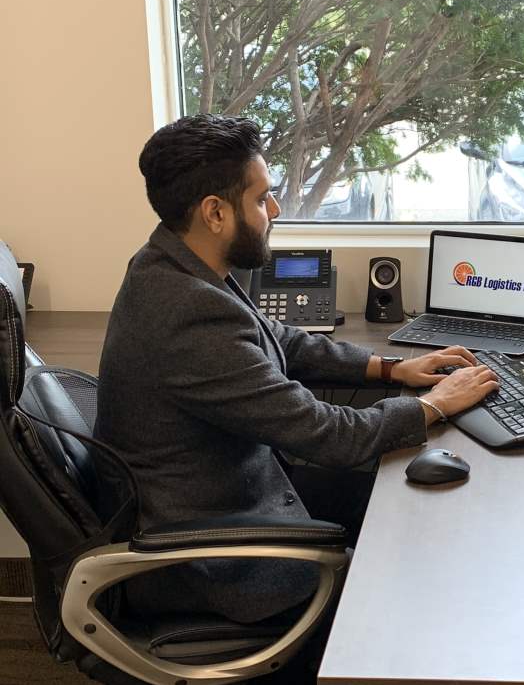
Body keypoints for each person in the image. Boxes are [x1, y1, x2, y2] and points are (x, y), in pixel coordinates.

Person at [95, 114, 498, 629]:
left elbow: (278, 338)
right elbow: (330, 435)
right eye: (262, 198)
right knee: (404, 570)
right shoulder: (187, 312)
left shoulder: (173, 262)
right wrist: (435, 404)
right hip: (214, 560)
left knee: (413, 508)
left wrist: (390, 368)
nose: (275, 211)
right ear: (215, 212)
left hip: (238, 493)